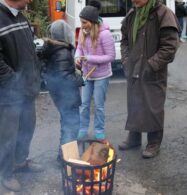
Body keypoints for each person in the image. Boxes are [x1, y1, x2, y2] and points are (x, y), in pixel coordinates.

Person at [119, 0, 180, 158]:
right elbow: (124, 41)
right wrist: (126, 61)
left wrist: (152, 64)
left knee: (153, 106)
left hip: (153, 71)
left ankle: (154, 142)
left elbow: (170, 46)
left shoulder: (163, 13)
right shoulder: (132, 14)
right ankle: (134, 138)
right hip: (133, 68)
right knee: (134, 103)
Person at [0, 0, 42, 192]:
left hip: (27, 90)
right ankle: (6, 174)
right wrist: (15, 82)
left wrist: (36, 75)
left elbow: (30, 51)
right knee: (8, 135)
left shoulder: (21, 16)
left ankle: (21, 162)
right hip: (9, 94)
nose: (30, 0)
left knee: (27, 128)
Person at [40, 19, 84, 159]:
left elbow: (56, 72)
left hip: (58, 93)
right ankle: (66, 157)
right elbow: (65, 79)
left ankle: (64, 154)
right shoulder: (62, 52)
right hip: (66, 95)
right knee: (71, 124)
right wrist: (79, 78)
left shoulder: (52, 48)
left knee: (67, 122)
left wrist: (73, 70)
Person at [75, 5, 115, 140]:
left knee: (99, 105)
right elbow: (79, 49)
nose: (82, 26)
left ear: (92, 21)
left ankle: (99, 130)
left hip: (101, 75)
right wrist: (77, 58)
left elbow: (111, 56)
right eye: (81, 22)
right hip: (87, 74)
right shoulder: (83, 31)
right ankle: (83, 129)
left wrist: (89, 58)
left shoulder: (105, 34)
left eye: (84, 23)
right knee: (84, 104)